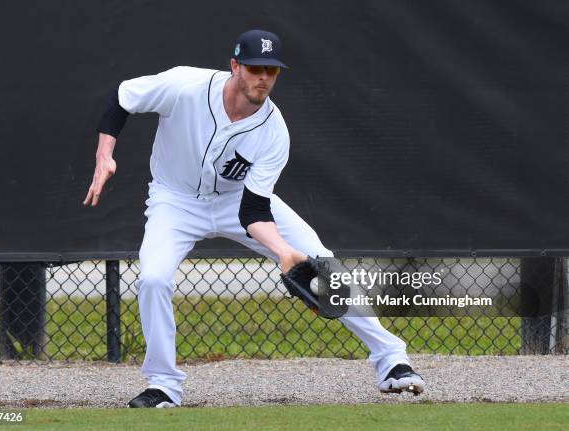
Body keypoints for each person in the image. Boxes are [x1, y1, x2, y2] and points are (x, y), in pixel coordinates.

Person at [84, 29, 425, 408]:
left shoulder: (273, 131)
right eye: (255, 67)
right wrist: (105, 154)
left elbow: (253, 210)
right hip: (175, 200)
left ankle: (392, 359)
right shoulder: (185, 85)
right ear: (235, 66)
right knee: (153, 278)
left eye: (272, 70)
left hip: (237, 201)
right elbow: (122, 97)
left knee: (325, 262)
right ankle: (163, 385)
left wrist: (285, 253)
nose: (263, 77)